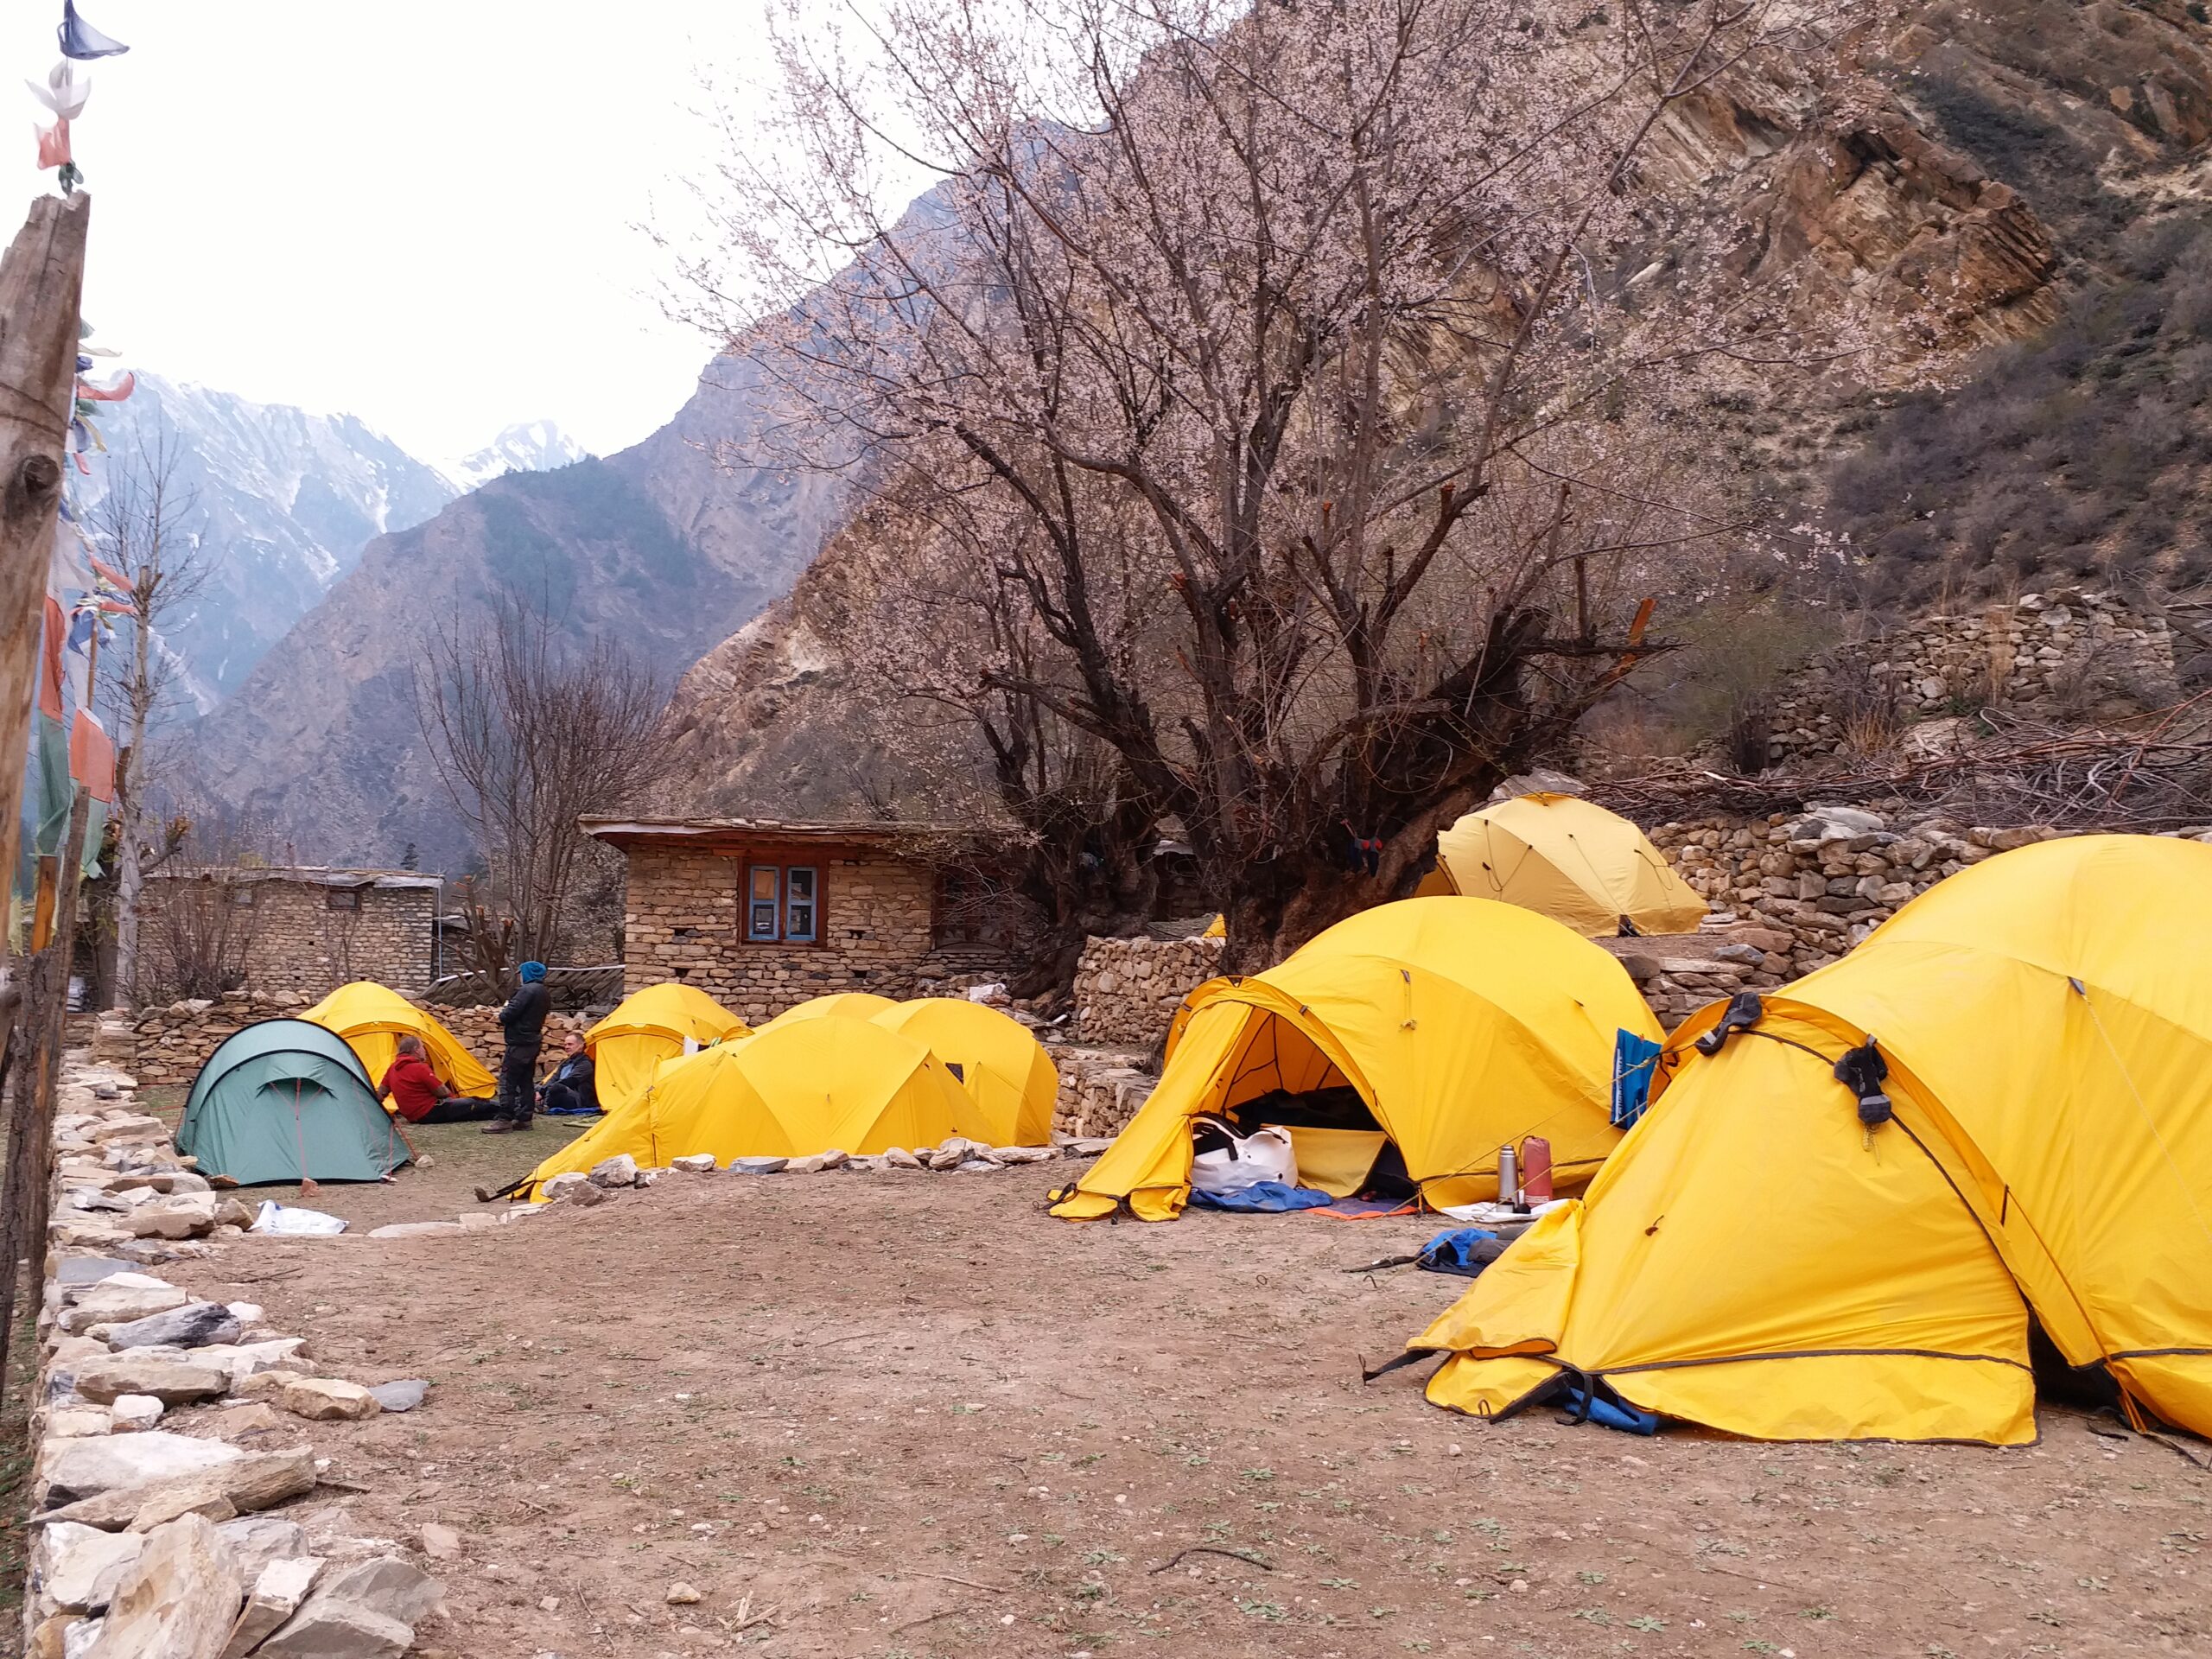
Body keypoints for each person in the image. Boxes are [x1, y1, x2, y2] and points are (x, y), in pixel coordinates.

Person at [484, 960, 551, 1135]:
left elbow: (508, 1014)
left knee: (508, 1081)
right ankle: (524, 1118)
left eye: (521, 973)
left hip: (519, 1042)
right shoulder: (543, 992)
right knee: (526, 1081)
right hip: (532, 1041)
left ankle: (504, 1119)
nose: (520, 977)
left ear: (527, 974)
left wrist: (504, 1011)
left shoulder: (526, 991)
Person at [378, 1033, 498, 1124]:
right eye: (423, 1048)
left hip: (412, 1116)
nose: (425, 1051)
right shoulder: (420, 1068)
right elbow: (441, 1092)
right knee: (474, 1103)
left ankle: (502, 1113)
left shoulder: (392, 1068)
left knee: (473, 1111)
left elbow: (381, 1093)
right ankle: (509, 1109)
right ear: (416, 1050)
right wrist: (453, 1098)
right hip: (429, 1112)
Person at [537, 1030, 599, 1116]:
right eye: (565, 1045)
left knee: (556, 1087)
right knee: (532, 1087)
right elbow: (554, 1078)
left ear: (581, 1046)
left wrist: (543, 1092)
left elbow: (571, 1081)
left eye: (570, 1044)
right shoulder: (566, 1062)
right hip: (557, 1091)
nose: (566, 1047)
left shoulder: (585, 1064)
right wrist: (540, 1091)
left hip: (577, 1099)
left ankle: (544, 1104)